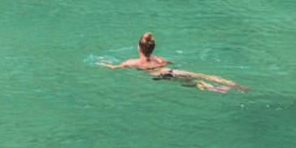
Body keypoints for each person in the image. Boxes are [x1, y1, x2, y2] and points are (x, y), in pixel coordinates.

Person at [102, 32, 248, 92]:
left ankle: (215, 89)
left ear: (138, 47)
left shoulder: (133, 62)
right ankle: (235, 84)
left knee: (195, 83)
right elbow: (170, 62)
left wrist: (104, 64)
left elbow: (115, 67)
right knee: (202, 76)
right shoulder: (160, 58)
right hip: (172, 71)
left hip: (164, 76)